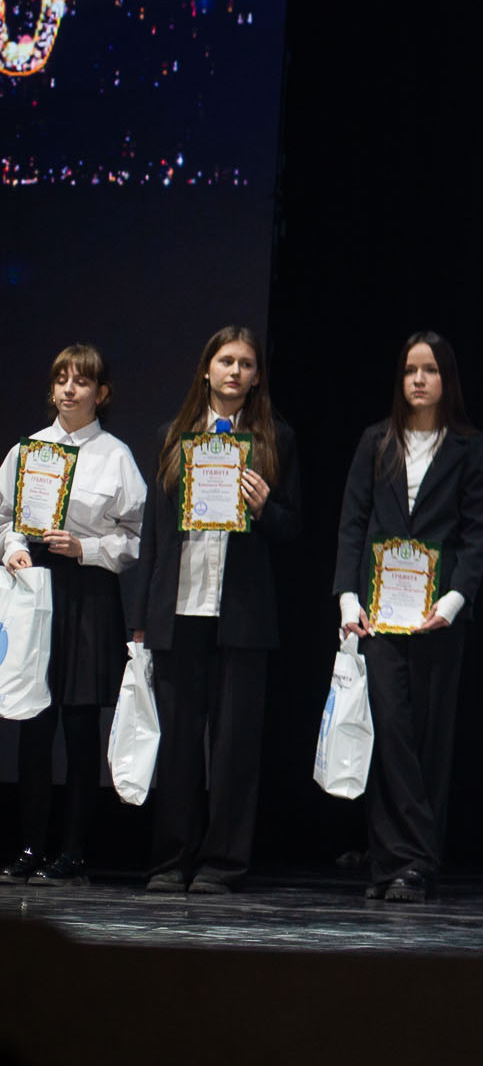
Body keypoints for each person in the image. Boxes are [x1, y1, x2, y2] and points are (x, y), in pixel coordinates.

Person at [134, 327, 301, 894]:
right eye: (226, 361)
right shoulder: (172, 437)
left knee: (234, 749)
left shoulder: (275, 439)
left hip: (242, 615)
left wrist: (264, 507)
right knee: (178, 744)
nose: (235, 371)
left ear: (257, 376)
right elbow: (153, 536)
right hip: (180, 608)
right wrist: (142, 617)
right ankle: (169, 859)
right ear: (207, 369)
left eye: (246, 364)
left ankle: (222, 863)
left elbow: (292, 526)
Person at [334, 333, 483, 902]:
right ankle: (393, 862)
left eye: (429, 370)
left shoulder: (470, 447)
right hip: (379, 615)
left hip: (437, 617)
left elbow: (478, 535)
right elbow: (353, 523)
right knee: (390, 734)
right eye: (410, 370)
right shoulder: (376, 441)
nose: (419, 380)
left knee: (429, 737)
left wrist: (453, 602)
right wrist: (347, 598)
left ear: (447, 379)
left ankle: (416, 862)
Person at [0, 346, 145, 884]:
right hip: (35, 587)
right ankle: (31, 847)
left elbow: (136, 537)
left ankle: (74, 850)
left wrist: (87, 547)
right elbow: (5, 517)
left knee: (81, 726)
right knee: (33, 723)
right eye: (61, 379)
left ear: (101, 394)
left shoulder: (115, 456)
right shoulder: (28, 450)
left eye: (81, 381)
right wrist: (13, 548)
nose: (68, 389)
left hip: (88, 592)